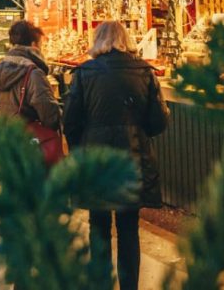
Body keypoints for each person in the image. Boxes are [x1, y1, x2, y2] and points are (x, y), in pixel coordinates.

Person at [63, 21, 169, 290]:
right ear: (127, 40)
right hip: (132, 158)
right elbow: (158, 122)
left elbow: (71, 122)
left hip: (96, 160)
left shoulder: (84, 73)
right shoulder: (144, 72)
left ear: (98, 41)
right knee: (128, 228)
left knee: (97, 226)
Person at [0, 20, 60, 131]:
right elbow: (48, 112)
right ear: (34, 45)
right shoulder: (33, 73)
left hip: (6, 134)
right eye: (41, 44)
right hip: (29, 137)